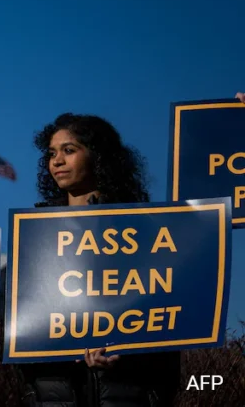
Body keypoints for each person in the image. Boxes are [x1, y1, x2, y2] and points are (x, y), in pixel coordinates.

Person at [18, 113, 180, 407]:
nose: (56, 161)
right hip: (55, 395)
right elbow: (19, 323)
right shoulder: (35, 236)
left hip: (127, 394)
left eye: (69, 150)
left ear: (100, 157)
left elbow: (167, 312)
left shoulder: (147, 232)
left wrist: (124, 348)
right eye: (52, 154)